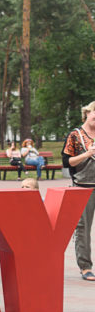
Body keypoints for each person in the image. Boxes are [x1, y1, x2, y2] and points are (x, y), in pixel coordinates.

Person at [61, 100, 95, 281]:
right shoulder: (75, 135)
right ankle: (85, 267)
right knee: (83, 228)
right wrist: (87, 154)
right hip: (84, 187)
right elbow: (67, 162)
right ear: (88, 113)